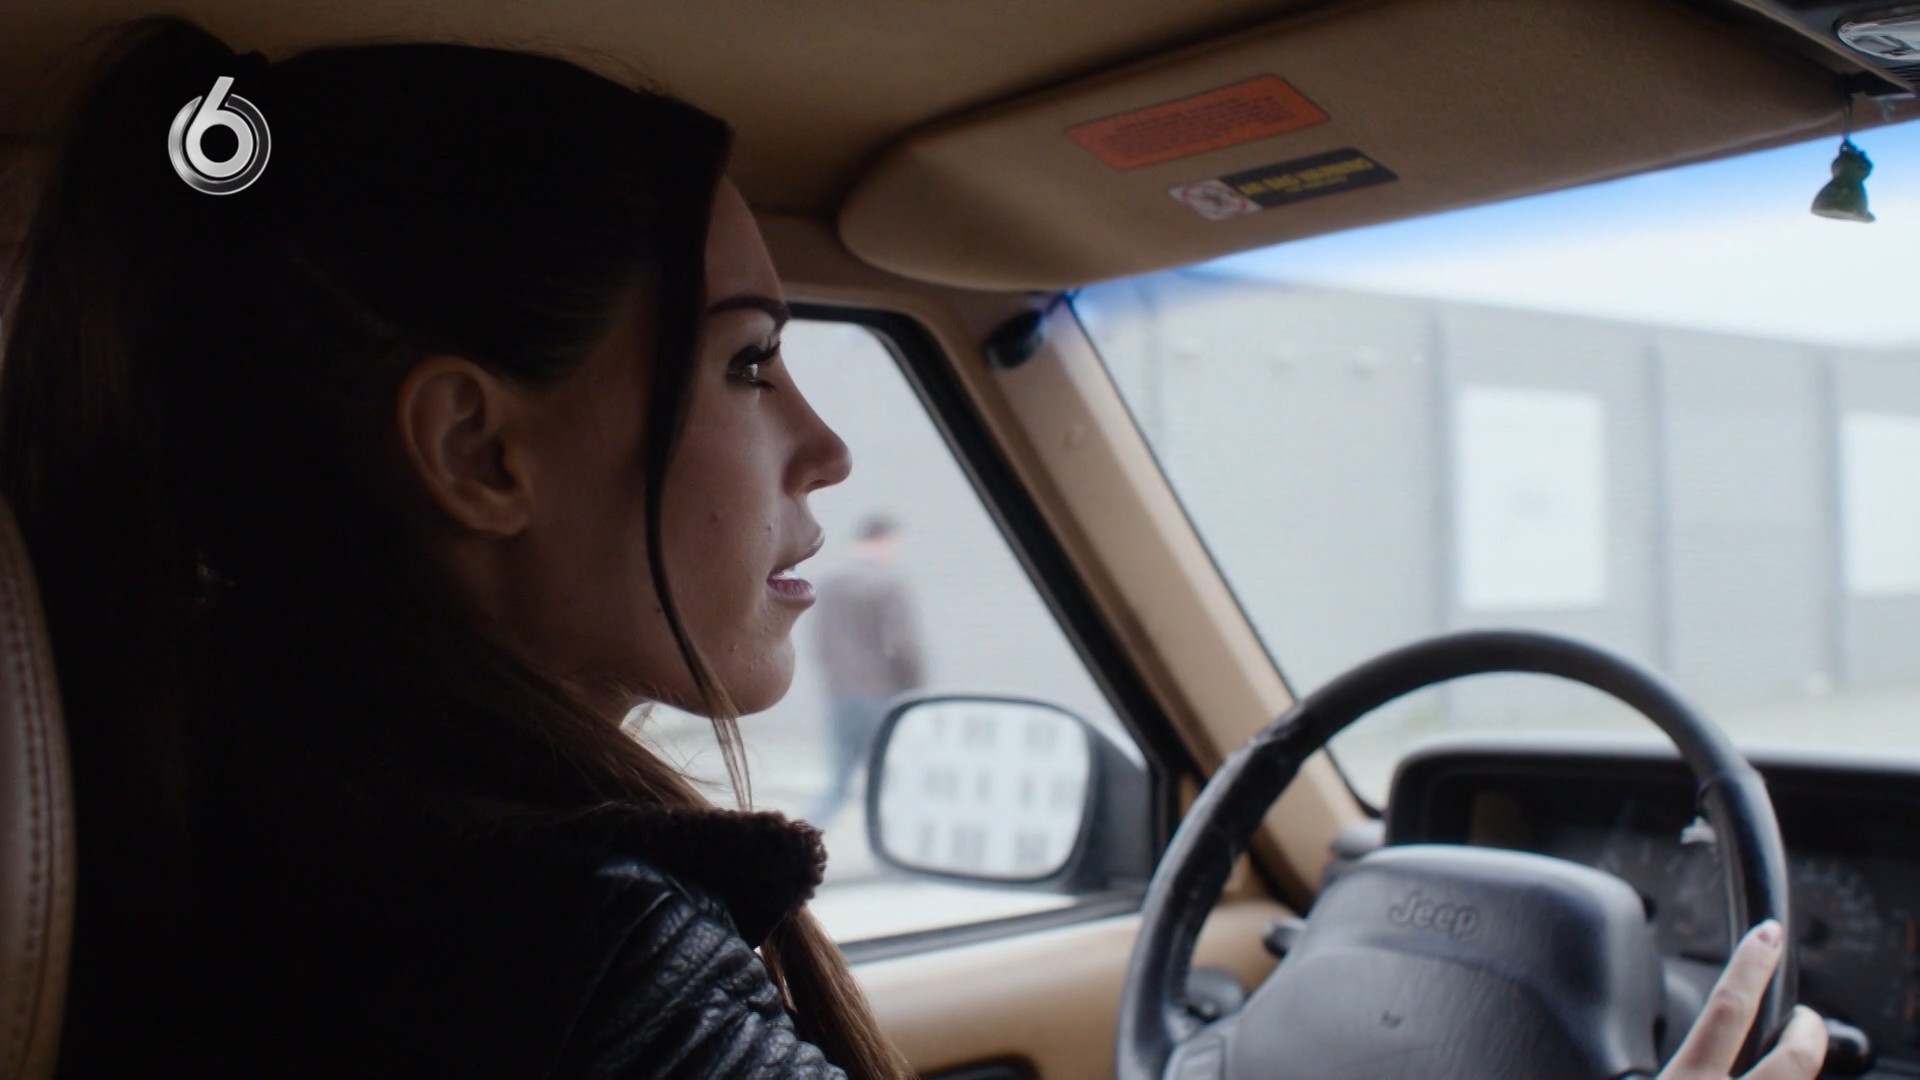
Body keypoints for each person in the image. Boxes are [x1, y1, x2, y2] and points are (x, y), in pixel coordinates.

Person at [0, 15, 1823, 1080]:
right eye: (748, 364)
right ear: (482, 448)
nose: (825, 443)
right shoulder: (555, 958)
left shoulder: (230, 829)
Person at [805, 514, 925, 828]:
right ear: (884, 540)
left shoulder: (830, 584)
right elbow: (904, 646)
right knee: (889, 780)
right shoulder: (890, 585)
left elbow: (819, 643)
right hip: (882, 696)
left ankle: (801, 835)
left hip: (841, 695)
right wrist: (915, 690)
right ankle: (890, 845)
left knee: (839, 781)